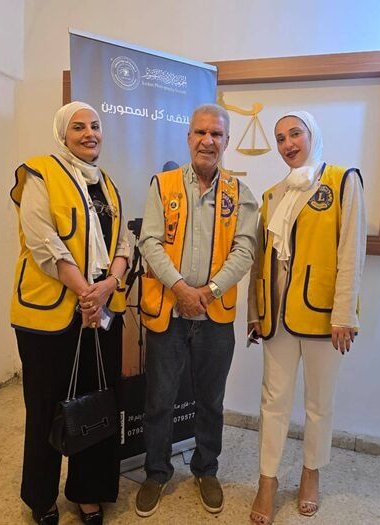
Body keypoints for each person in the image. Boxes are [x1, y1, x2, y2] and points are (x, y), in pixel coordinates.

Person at [135, 103, 259, 517]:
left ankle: (206, 470)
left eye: (217, 134)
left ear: (226, 141)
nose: (208, 141)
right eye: (201, 132)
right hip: (168, 313)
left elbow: (245, 249)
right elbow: (149, 241)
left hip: (215, 317)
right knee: (159, 400)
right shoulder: (163, 184)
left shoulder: (240, 194)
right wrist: (181, 288)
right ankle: (156, 472)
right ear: (188, 137)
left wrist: (208, 291)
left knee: (211, 400)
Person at [9, 101, 129, 525]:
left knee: (95, 406)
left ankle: (88, 492)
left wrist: (109, 285)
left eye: (95, 126)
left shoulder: (107, 184)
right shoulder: (39, 173)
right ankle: (41, 496)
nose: (89, 133)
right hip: (50, 315)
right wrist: (85, 292)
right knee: (45, 407)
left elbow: (123, 244)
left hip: (100, 310)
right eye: (78, 127)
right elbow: (43, 242)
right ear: (63, 134)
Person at [247, 110, 366, 523]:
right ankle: (267, 480)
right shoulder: (272, 195)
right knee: (272, 402)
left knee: (319, 403)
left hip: (323, 316)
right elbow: (260, 260)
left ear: (312, 134)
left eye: (295, 134)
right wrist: (255, 312)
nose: (287, 144)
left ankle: (311, 472)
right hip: (276, 316)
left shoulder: (342, 180)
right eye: (280, 138)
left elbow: (352, 250)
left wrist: (344, 313)